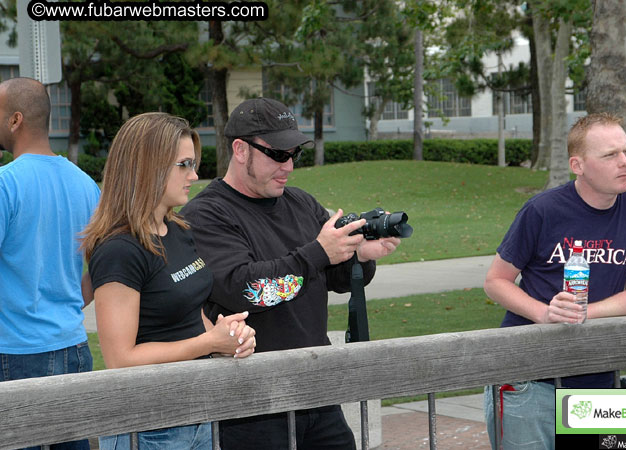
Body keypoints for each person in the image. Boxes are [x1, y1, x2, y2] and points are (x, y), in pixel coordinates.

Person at [181, 97, 401, 449]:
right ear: (240, 150)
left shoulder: (301, 202)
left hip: (317, 391)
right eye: (278, 154)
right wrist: (318, 253)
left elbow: (334, 279)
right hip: (253, 404)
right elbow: (249, 291)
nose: (289, 166)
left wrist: (358, 256)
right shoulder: (207, 214)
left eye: (294, 154)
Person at [482, 112, 626, 450]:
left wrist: (579, 313)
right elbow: (495, 281)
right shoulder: (542, 210)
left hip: (598, 379)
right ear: (577, 165)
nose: (624, 162)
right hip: (529, 381)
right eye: (610, 155)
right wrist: (544, 314)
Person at [80, 112, 256, 449]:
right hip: (146, 430)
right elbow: (120, 359)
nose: (195, 174)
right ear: (147, 167)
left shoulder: (178, 230)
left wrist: (228, 337)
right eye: (184, 165)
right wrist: (210, 344)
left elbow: (192, 314)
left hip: (195, 415)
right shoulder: (119, 249)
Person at [0, 77, 100, 450]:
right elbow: (104, 269)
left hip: (15, 354)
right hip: (74, 348)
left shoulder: (5, 185)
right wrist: (70, 302)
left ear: (15, 120)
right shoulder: (87, 185)